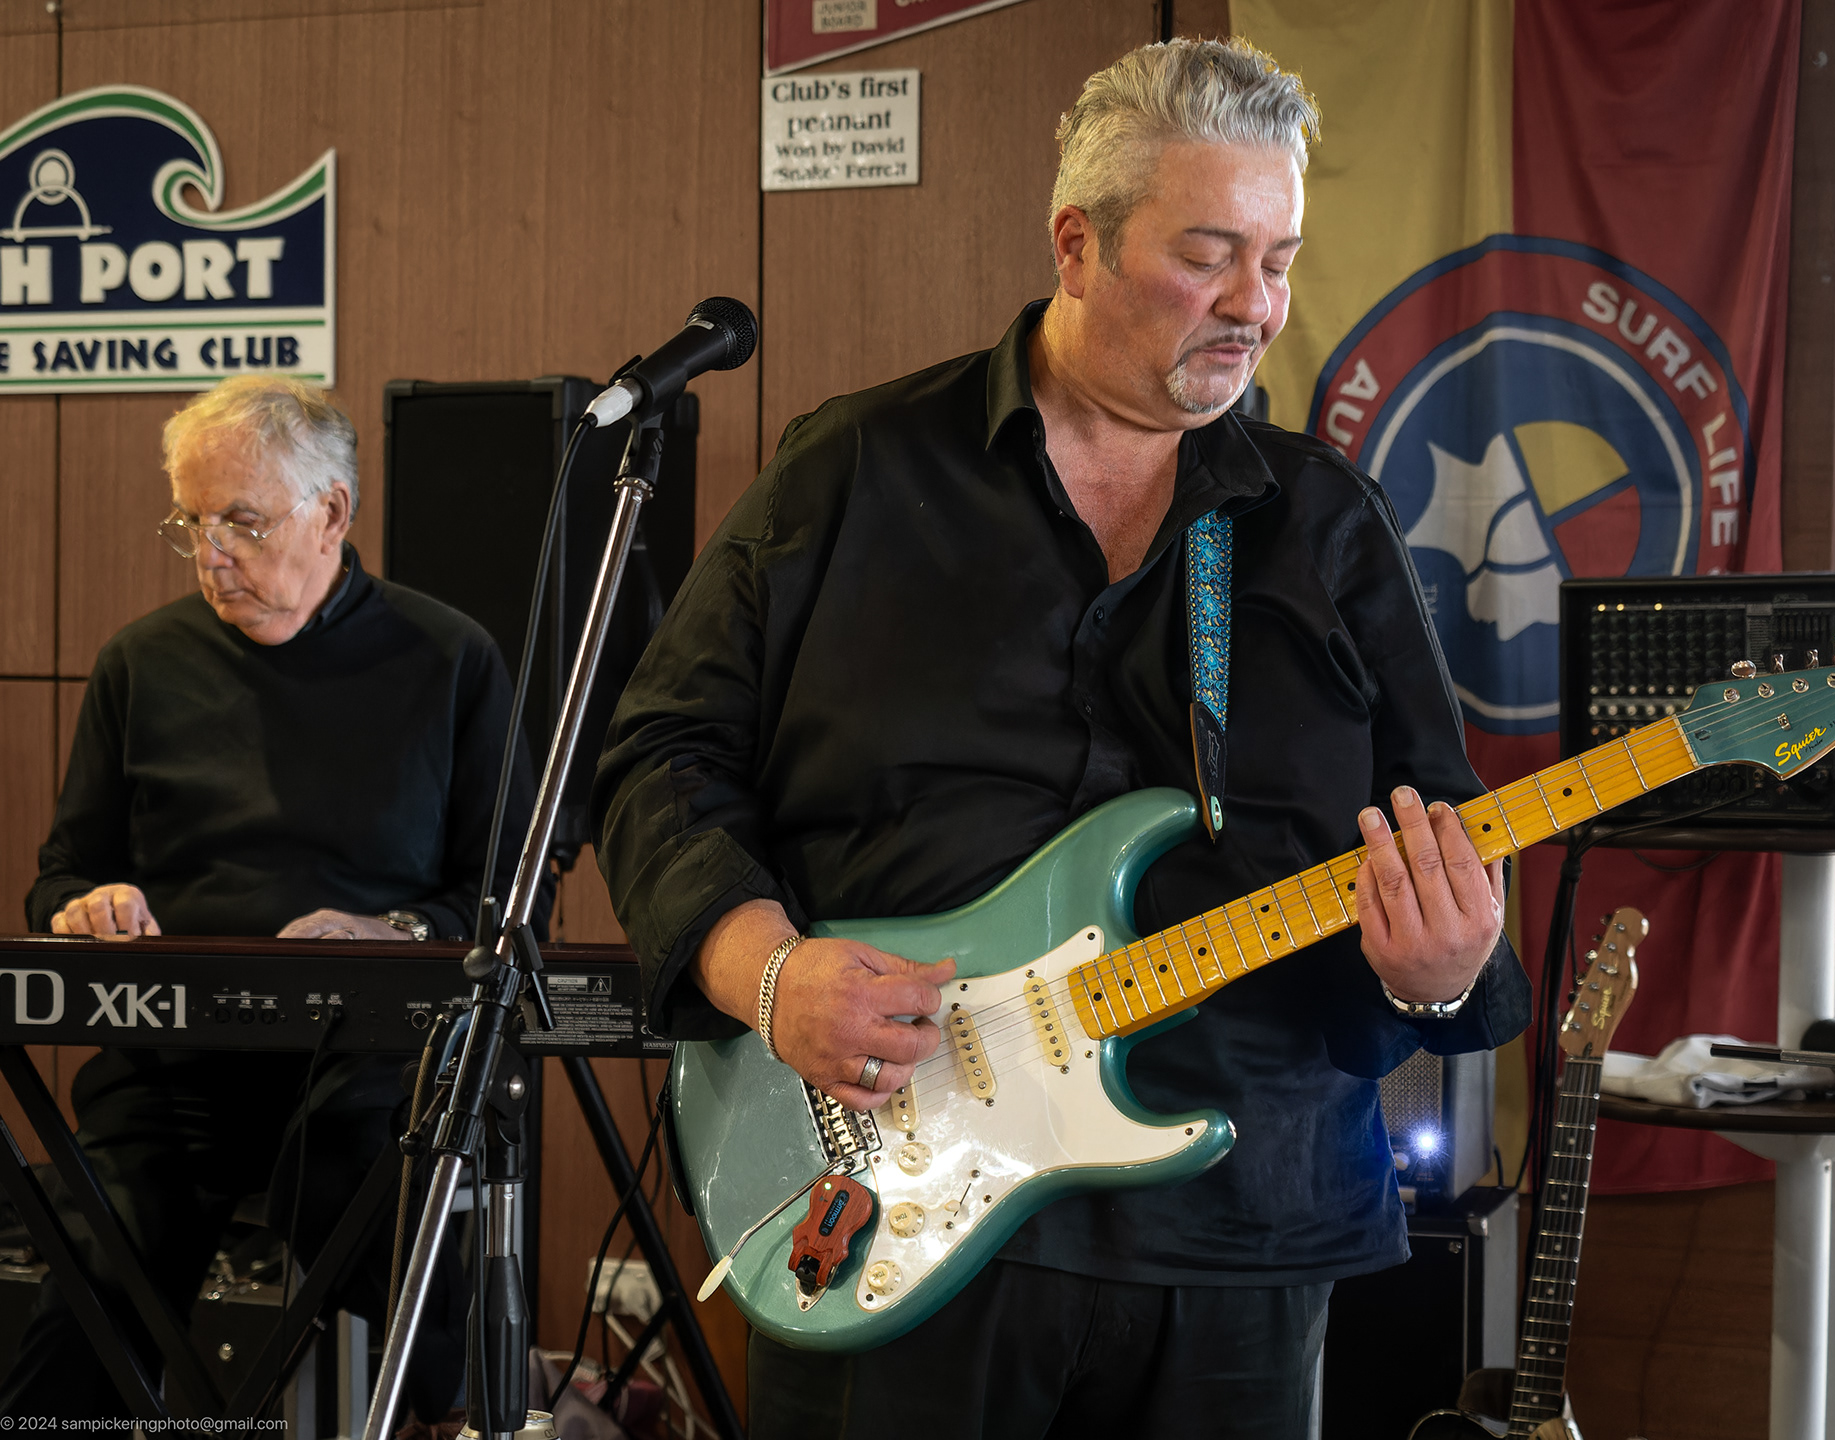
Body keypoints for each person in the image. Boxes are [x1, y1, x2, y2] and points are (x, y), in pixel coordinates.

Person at [593, 38, 1528, 1439]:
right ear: (1077, 244)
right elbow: (659, 750)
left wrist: (1442, 981)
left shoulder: (1327, 526)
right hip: (888, 1199)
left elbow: (1435, 833)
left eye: (1279, 260)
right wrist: (765, 971)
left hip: (1243, 1231)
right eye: (1210, 256)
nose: (1256, 304)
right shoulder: (855, 468)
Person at [9, 375, 542, 1420]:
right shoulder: (140, 663)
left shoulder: (448, 658)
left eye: (242, 523)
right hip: (174, 1063)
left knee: (368, 1205)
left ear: (331, 512)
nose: (211, 555)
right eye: (191, 523)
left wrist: (393, 931)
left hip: (369, 1065)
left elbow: (509, 903)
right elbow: (62, 874)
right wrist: (87, 905)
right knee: (92, 1285)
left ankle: (469, 1410)